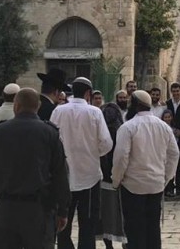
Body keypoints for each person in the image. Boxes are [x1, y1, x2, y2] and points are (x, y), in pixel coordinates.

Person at [0, 87, 71, 249]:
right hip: (38, 211)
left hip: (6, 209)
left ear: (16, 106)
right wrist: (62, 211)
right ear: (38, 106)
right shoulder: (49, 133)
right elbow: (60, 175)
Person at [112, 90, 180, 249]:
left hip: (132, 186)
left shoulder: (128, 127)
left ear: (135, 105)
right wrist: (165, 178)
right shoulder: (163, 126)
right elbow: (174, 154)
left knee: (134, 229)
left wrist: (116, 180)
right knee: (153, 228)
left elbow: (121, 157)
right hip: (156, 184)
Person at [50, 77, 113, 249]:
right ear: (88, 93)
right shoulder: (94, 112)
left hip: (64, 175)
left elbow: (51, 138)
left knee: (63, 221)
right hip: (89, 175)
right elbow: (106, 143)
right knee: (88, 222)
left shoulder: (58, 111)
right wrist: (93, 153)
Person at [100, 97, 127, 249]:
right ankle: (125, 242)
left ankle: (108, 244)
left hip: (103, 178)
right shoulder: (122, 130)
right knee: (122, 212)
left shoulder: (101, 132)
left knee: (105, 214)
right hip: (120, 177)